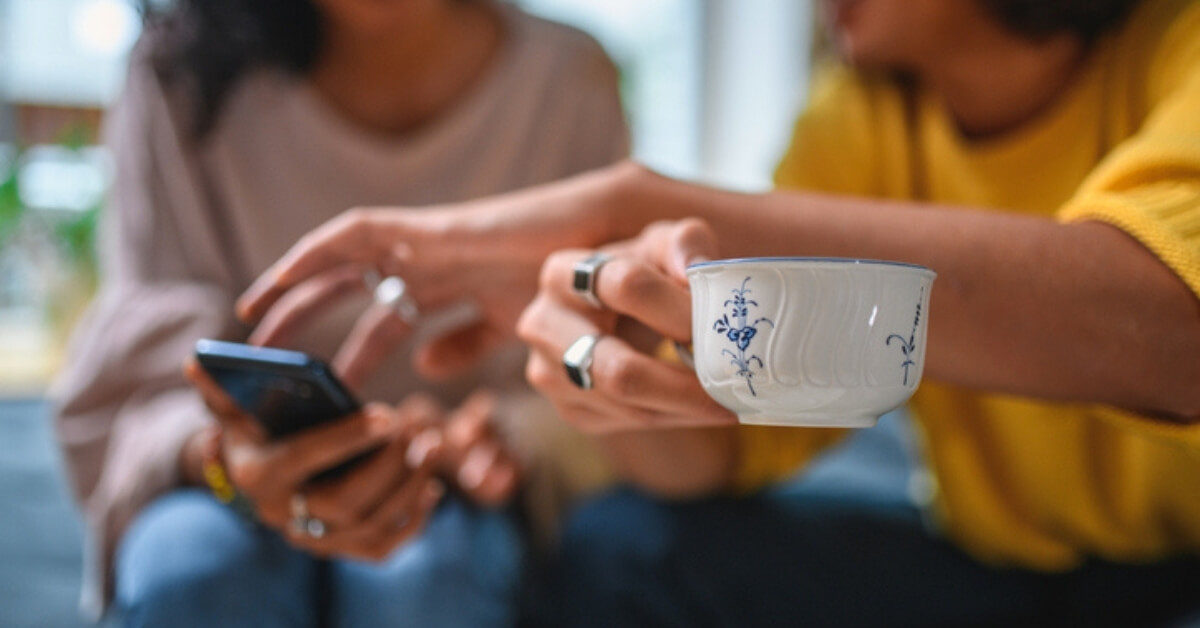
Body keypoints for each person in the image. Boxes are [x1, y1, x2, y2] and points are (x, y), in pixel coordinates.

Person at [237, 0, 1200, 624]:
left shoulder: (1178, 44)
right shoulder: (856, 122)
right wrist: (615, 360)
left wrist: (631, 208)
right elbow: (724, 451)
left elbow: (1165, 324)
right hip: (993, 573)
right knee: (624, 548)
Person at [50, 0, 626, 625]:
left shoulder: (566, 77)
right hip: (230, 485)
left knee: (433, 569)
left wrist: (500, 436)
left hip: (458, 486)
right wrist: (222, 457)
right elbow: (143, 375)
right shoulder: (183, 72)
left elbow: (606, 357)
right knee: (192, 567)